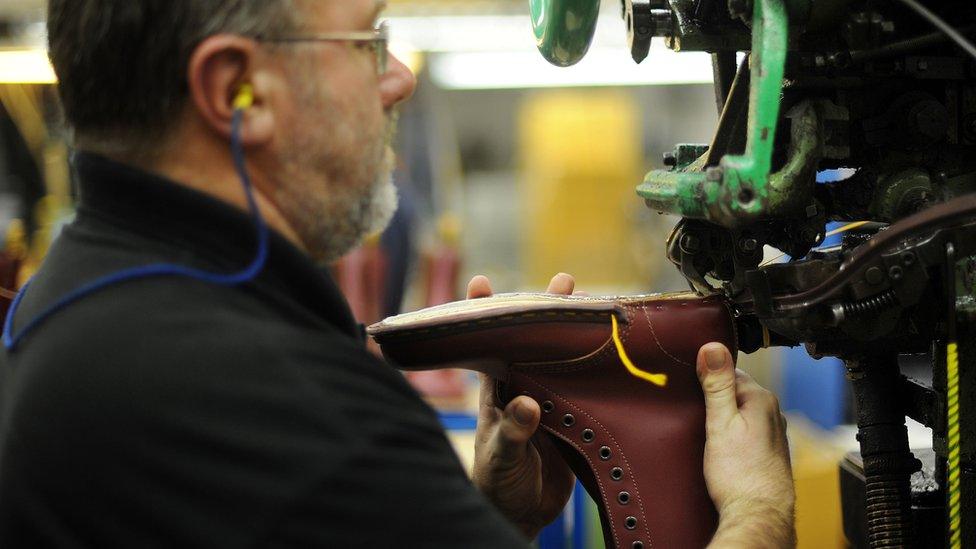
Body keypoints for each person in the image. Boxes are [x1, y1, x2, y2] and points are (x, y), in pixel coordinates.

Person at [0, 1, 795, 547]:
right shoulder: (262, 400)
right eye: (366, 43)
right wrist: (757, 510)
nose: (399, 80)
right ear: (235, 94)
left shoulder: (79, 298)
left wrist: (465, 518)